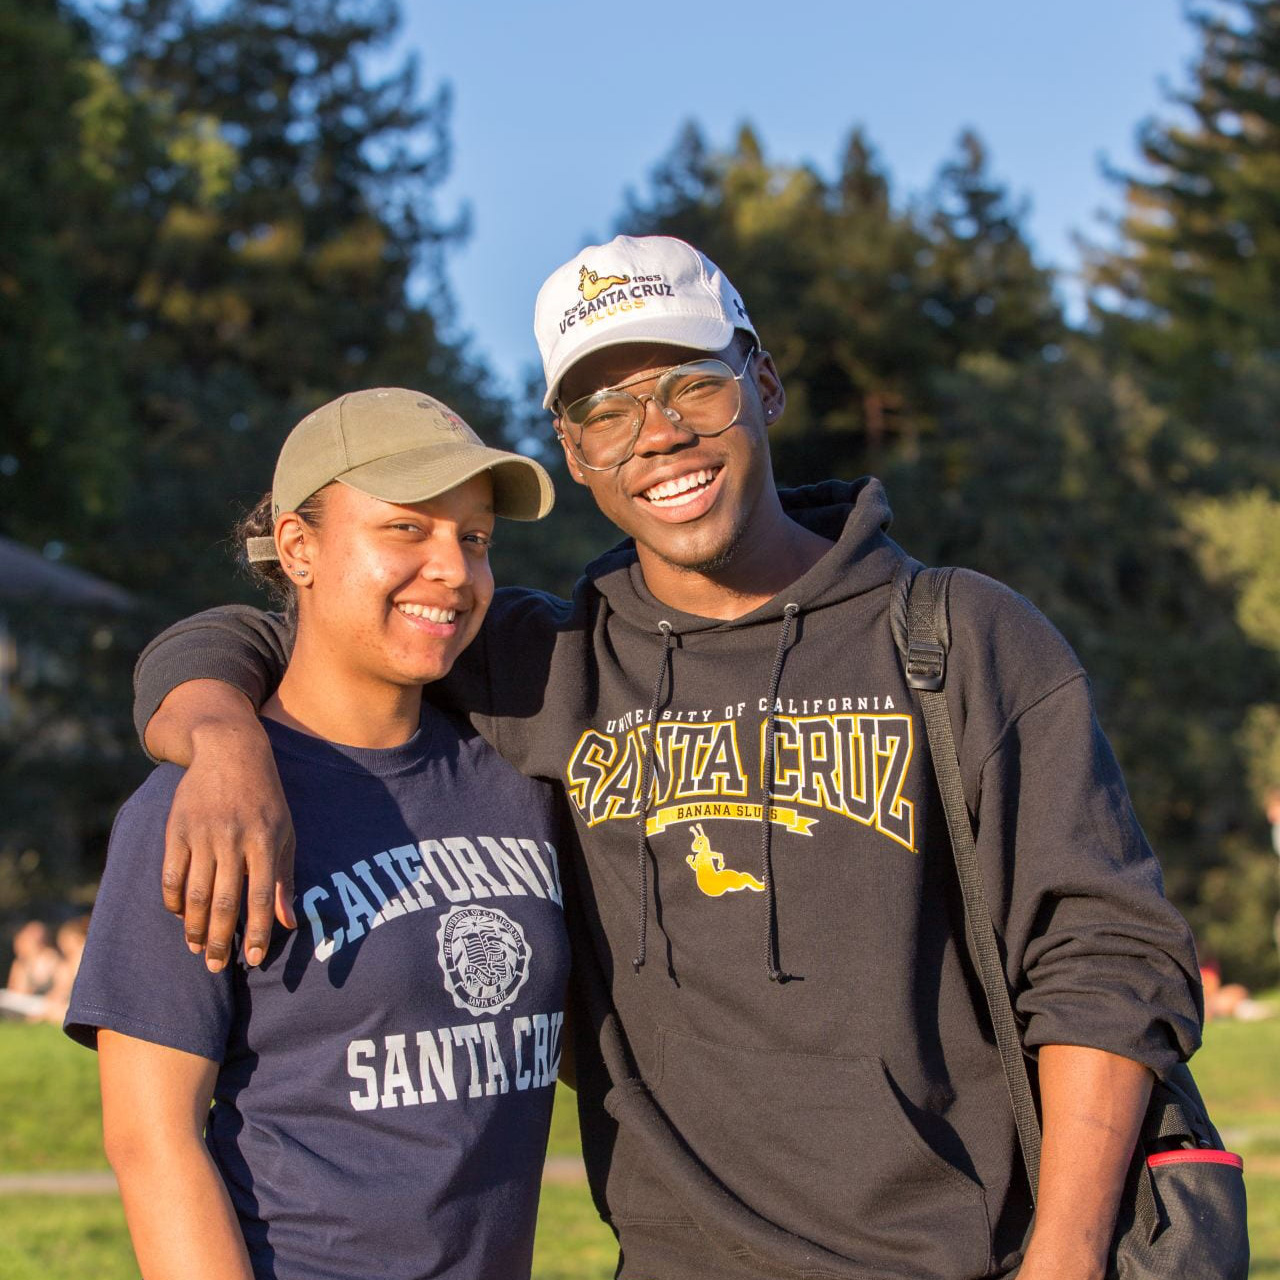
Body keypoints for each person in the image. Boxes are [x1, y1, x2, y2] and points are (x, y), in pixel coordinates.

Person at [131, 238, 1203, 1280]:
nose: (656, 435)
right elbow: (312, 627)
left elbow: (1103, 958)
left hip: (970, 1254)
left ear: (762, 382)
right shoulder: (553, 664)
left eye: (689, 386)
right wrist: (221, 732)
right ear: (572, 447)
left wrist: (1062, 1256)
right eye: (604, 410)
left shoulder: (959, 639)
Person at [66, 389, 571, 1280]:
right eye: (408, 529)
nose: (453, 569)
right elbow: (152, 1142)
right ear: (299, 549)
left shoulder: (516, 781)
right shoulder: (197, 809)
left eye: (477, 536)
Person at [1, 919, 62, 1019]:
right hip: (29, 1003)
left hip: (48, 1003)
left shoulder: (54, 958)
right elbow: (17, 991)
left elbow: (61, 989)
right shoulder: (21, 963)